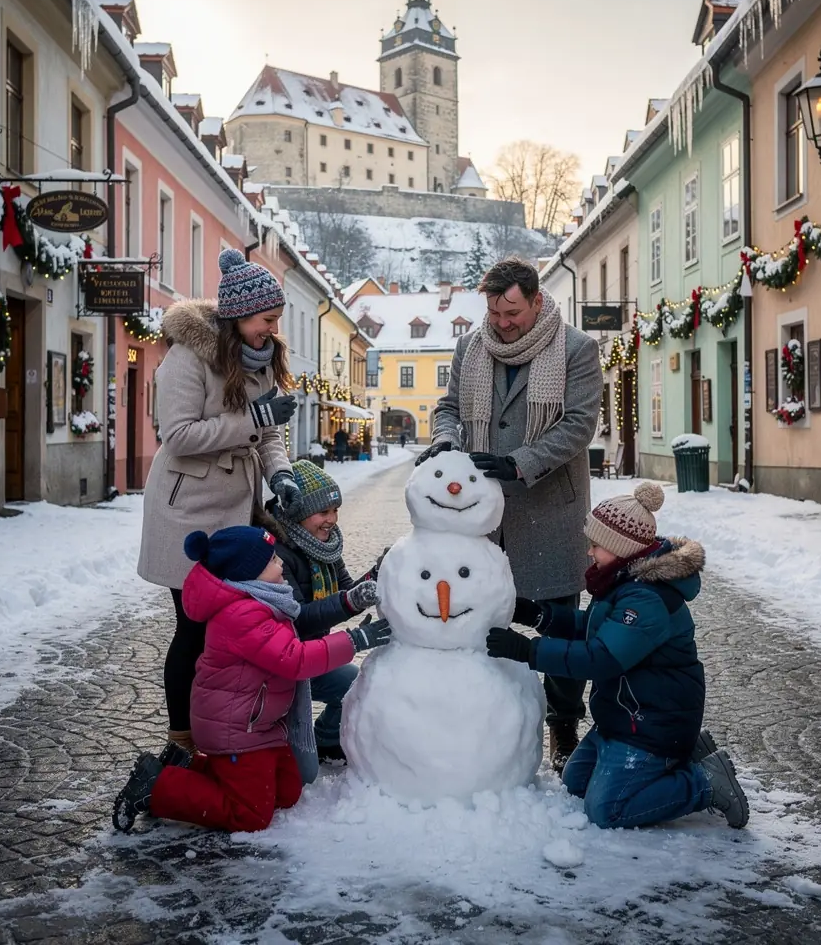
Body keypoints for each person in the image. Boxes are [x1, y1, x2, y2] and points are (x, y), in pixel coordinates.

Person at [423, 257, 602, 773]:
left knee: (560, 624)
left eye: (513, 313)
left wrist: (518, 463)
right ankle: (487, 720)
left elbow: (578, 427)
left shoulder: (576, 349)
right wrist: (446, 441)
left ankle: (563, 725)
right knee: (481, 614)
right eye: (495, 312)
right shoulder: (470, 348)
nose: (502, 323)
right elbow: (450, 407)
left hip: (549, 510)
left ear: (537, 302)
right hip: (481, 516)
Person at [485, 483, 749, 830]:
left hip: (651, 722)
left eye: (597, 545)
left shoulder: (646, 599)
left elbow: (602, 658)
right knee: (576, 783)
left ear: (622, 549)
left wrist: (528, 651)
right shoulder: (622, 579)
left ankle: (703, 783)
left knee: (606, 810)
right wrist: (538, 615)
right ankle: (683, 755)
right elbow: (596, 627)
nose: (590, 553)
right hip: (625, 717)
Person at [113, 525, 391, 833]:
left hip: (259, 726)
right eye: (272, 560)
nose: (280, 563)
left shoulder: (265, 600)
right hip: (235, 730)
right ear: (248, 573)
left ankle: (186, 765)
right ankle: (157, 786)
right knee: (251, 814)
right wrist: (353, 640)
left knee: (287, 790)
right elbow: (294, 659)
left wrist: (351, 601)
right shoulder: (243, 615)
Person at [137, 248, 303, 762]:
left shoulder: (261, 361)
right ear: (237, 316)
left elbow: (268, 433)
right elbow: (179, 436)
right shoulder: (188, 358)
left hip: (237, 513)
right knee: (193, 628)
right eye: (266, 321)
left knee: (228, 631)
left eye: (275, 321)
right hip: (187, 509)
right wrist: (255, 417)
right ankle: (181, 740)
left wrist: (282, 475)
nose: (272, 331)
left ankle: (225, 732)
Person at [263, 460, 380, 776]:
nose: (332, 520)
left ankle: (327, 739)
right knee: (302, 774)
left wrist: (376, 575)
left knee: (360, 685)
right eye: (324, 512)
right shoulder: (277, 555)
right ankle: (282, 746)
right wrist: (349, 604)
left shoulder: (325, 547)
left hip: (311, 656)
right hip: (279, 667)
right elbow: (299, 618)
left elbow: (347, 590)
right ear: (298, 515)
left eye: (335, 510)